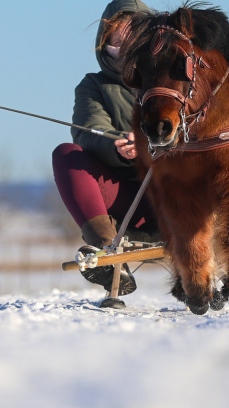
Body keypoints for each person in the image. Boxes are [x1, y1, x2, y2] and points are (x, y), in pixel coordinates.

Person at [52, 0, 157, 298]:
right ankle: (106, 252)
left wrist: (150, 144)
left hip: (176, 193)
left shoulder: (177, 82)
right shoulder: (93, 86)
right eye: (117, 39)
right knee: (66, 154)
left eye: (136, 37)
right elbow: (88, 130)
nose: (127, 46)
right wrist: (117, 144)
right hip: (126, 197)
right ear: (105, 43)